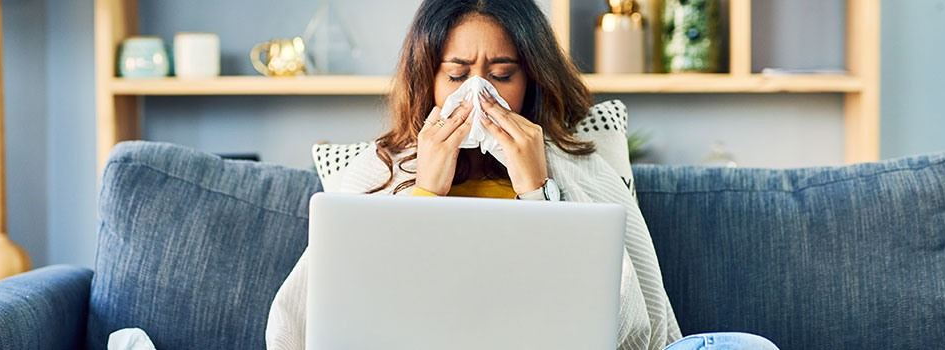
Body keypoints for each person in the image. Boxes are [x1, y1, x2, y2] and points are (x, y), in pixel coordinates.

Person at [267, 1, 777, 349]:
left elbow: (632, 332)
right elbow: (306, 328)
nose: (479, 94)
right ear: (430, 79)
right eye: (458, 74)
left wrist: (539, 191)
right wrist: (425, 191)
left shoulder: (578, 166)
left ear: (530, 80)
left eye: (501, 75)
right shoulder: (377, 172)